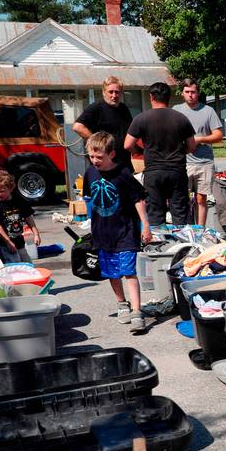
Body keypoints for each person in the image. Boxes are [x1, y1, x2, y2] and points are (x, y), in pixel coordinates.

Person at [84, 131, 153, 334]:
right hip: (102, 233)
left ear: (111, 154)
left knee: (129, 272)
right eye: (92, 156)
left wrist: (145, 225)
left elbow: (138, 199)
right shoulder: (90, 173)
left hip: (126, 231)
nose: (95, 161)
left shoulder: (123, 173)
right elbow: (89, 198)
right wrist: (89, 224)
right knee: (112, 273)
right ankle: (122, 303)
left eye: (100, 157)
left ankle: (137, 311)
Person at [125, 82, 197, 226]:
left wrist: (141, 152)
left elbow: (127, 145)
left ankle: (158, 244)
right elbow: (192, 146)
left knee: (155, 212)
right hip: (177, 171)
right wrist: (179, 151)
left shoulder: (141, 118)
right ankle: (182, 245)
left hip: (154, 172)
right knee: (180, 212)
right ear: (168, 98)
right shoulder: (180, 118)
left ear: (151, 97)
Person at [173, 79, 226, 229]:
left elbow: (218, 136)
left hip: (204, 161)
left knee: (200, 199)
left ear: (198, 93)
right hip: (182, 161)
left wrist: (200, 139)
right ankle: (183, 229)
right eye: (187, 92)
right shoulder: (176, 110)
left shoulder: (208, 111)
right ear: (182, 93)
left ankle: (200, 231)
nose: (190, 95)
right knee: (181, 199)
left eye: (193, 92)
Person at [73, 76, 133, 171]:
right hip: (105, 164)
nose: (114, 95)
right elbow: (78, 126)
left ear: (121, 93)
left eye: (117, 92)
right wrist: (98, 143)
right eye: (110, 92)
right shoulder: (96, 108)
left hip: (124, 162)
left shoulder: (123, 109)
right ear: (104, 92)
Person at [0, 169, 40, 263]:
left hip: (19, 241)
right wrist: (8, 242)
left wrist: (36, 234)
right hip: (4, 243)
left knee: (28, 263)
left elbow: (28, 217)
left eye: (2, 191)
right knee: (16, 265)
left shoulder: (19, 200)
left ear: (10, 188)